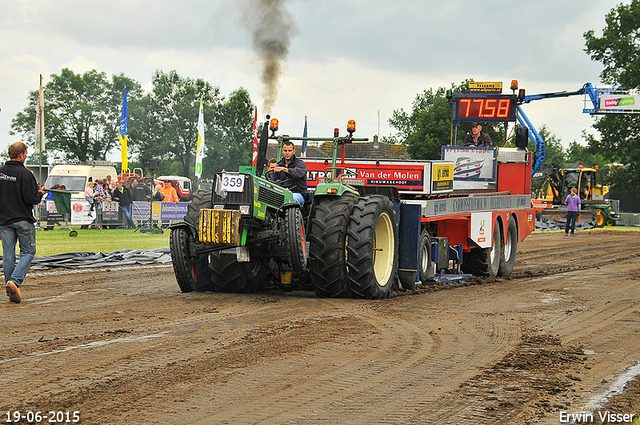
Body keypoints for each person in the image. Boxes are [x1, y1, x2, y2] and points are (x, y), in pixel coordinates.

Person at [0, 142, 47, 303]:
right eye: (26, 153)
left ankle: (10, 290)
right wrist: (40, 193)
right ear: (20, 155)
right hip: (22, 220)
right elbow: (31, 199)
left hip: (4, 221)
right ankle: (15, 282)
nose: (27, 156)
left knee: (8, 255)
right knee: (28, 252)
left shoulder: (1, 173)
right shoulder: (26, 174)